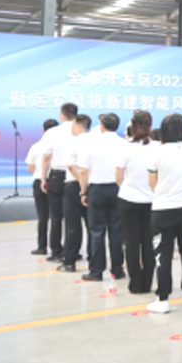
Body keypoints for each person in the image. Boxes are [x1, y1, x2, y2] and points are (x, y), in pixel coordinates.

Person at [147, 113, 182, 314]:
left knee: (163, 253)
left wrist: (165, 194)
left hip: (163, 209)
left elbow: (152, 182)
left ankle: (163, 299)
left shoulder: (157, 152)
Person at [76, 113, 126, 282]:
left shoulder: (92, 144)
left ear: (102, 126)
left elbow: (83, 171)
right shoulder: (124, 144)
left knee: (96, 231)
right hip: (118, 189)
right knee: (116, 231)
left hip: (97, 189)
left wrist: (83, 192)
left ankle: (96, 271)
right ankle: (117, 269)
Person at [117, 110, 158, 295]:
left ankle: (135, 284)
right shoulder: (157, 147)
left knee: (131, 243)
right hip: (152, 201)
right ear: (151, 126)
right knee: (149, 242)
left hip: (128, 199)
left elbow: (118, 177)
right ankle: (147, 283)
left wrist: (130, 188)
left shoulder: (125, 147)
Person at [40, 103, 78, 263]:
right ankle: (73, 251)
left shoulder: (52, 132)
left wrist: (43, 178)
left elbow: (46, 157)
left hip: (57, 175)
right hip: (75, 175)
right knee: (73, 217)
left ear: (62, 115)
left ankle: (56, 250)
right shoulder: (81, 131)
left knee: (56, 216)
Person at [59, 114, 92, 273]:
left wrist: (81, 183)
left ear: (79, 127)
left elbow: (71, 166)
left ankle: (70, 261)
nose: (71, 129)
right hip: (92, 186)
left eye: (72, 126)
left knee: (72, 225)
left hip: (74, 185)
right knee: (92, 226)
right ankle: (94, 261)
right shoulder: (95, 141)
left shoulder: (72, 142)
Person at [26, 118, 58, 254]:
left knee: (42, 216)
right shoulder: (58, 147)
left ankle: (41, 247)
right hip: (55, 181)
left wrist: (39, 175)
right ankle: (57, 247)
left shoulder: (35, 146)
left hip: (39, 181)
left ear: (43, 130)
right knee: (57, 217)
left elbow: (30, 167)